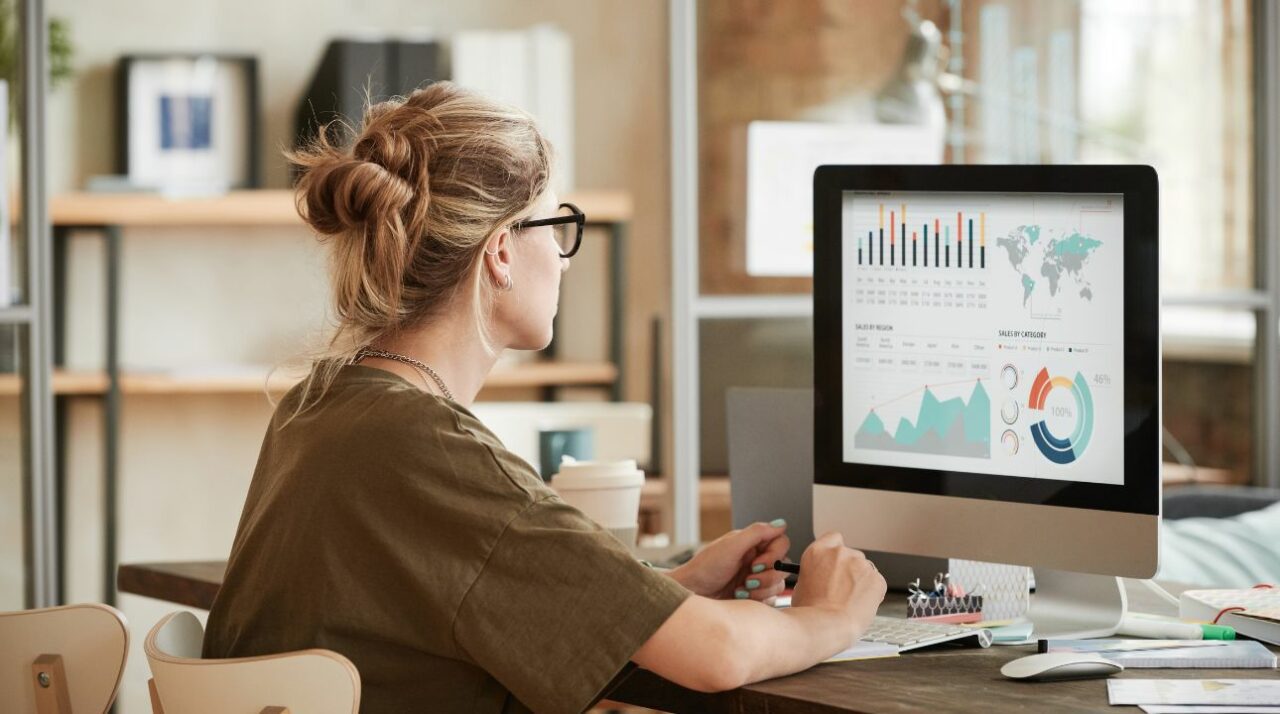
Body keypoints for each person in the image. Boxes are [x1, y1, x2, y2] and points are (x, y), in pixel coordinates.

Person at [202, 81, 887, 714]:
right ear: (501, 251)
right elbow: (719, 655)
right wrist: (832, 616)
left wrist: (666, 591)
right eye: (555, 227)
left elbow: (458, 595)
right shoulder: (433, 452)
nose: (562, 258)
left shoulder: (319, 407)